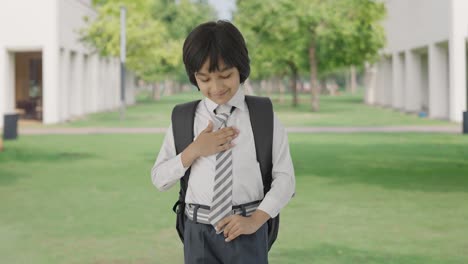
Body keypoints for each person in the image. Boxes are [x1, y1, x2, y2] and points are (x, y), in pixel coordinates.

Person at [151, 20, 295, 264]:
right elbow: (159, 179)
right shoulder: (184, 118)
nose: (216, 87)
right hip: (198, 233)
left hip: (247, 229)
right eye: (204, 79)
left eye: (225, 75)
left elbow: (285, 179)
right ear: (193, 77)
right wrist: (195, 150)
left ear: (241, 68)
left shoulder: (263, 115)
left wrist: (256, 220)